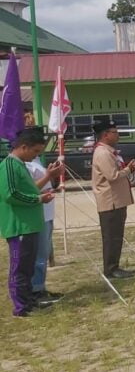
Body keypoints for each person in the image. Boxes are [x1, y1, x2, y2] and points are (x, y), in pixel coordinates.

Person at [2, 127, 59, 317]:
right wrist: (38, 199)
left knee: (27, 267)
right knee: (19, 268)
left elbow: (28, 190)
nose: (36, 156)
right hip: (19, 226)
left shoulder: (21, 165)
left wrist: (41, 194)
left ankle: (29, 301)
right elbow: (11, 194)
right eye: (35, 151)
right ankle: (20, 307)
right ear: (23, 147)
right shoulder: (9, 165)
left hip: (30, 225)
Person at [91, 120, 135, 279]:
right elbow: (113, 176)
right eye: (114, 132)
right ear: (105, 135)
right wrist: (128, 169)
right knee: (111, 237)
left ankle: (114, 266)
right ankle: (110, 269)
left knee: (116, 236)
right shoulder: (103, 153)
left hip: (117, 201)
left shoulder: (109, 152)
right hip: (110, 202)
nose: (117, 135)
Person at [26, 152, 63, 305]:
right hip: (38, 214)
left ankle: (40, 287)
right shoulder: (25, 164)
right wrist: (48, 175)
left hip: (47, 213)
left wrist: (53, 177)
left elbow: (44, 184)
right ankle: (35, 291)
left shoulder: (36, 160)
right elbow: (30, 189)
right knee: (39, 256)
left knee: (44, 253)